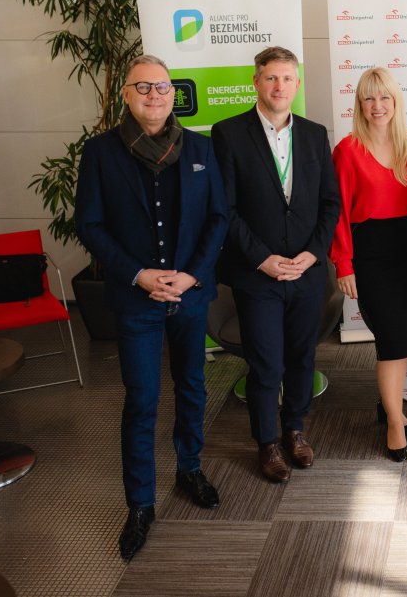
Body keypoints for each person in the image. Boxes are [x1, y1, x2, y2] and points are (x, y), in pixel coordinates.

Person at [76, 55, 228, 560]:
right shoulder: (100, 152)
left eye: (162, 87)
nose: (155, 95)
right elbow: (90, 224)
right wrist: (138, 274)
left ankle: (190, 468)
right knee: (141, 400)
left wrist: (192, 274)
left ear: (172, 94)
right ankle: (140, 503)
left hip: (189, 293)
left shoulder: (200, 148)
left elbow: (218, 218)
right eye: (143, 87)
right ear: (126, 94)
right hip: (135, 297)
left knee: (192, 385)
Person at [211, 46, 340, 484]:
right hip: (258, 274)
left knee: (303, 356)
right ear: (256, 82)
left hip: (306, 272)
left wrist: (313, 253)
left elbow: (329, 202)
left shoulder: (315, 134)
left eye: (287, 78)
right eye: (271, 78)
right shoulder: (228, 134)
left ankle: (295, 429)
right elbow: (225, 209)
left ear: (297, 84)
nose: (279, 86)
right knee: (266, 363)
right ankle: (267, 442)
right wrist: (262, 258)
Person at [329, 67, 407, 462]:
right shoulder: (348, 150)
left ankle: (388, 406)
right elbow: (337, 212)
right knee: (392, 338)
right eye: (369, 98)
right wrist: (343, 263)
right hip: (370, 253)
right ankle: (394, 422)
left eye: (384, 97)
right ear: (359, 105)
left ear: (395, 101)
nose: (377, 105)